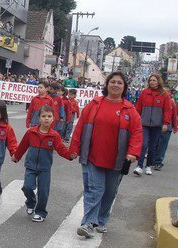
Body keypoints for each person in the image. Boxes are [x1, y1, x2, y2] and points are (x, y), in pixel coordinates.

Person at [70, 72, 143, 238]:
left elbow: (137, 132)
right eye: (113, 82)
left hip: (117, 161)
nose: (116, 85)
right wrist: (74, 147)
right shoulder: (94, 104)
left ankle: (101, 220)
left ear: (124, 87)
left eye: (119, 83)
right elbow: (80, 126)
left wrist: (133, 152)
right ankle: (88, 223)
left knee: (110, 192)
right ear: (107, 84)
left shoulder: (130, 110)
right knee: (95, 190)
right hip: (92, 157)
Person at [11, 105, 73, 222]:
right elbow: (23, 146)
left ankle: (40, 212)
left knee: (43, 191)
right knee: (27, 187)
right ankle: (31, 202)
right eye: (43, 116)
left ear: (53, 118)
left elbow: (61, 149)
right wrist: (16, 156)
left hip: (45, 168)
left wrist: (70, 155)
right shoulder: (31, 132)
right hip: (30, 166)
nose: (46, 118)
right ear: (39, 118)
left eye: (49, 116)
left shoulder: (54, 135)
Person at [133, 74, 172, 176]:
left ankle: (148, 166)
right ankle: (139, 166)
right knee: (143, 144)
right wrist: (136, 119)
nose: (152, 82)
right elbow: (138, 107)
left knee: (152, 147)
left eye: (154, 80)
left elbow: (167, 110)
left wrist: (165, 123)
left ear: (158, 81)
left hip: (157, 125)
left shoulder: (164, 95)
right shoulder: (144, 93)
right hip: (144, 124)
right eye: (150, 80)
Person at [153, 86, 178, 171]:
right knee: (155, 143)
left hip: (167, 127)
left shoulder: (172, 103)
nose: (165, 93)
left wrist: (175, 126)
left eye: (167, 92)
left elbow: (174, 115)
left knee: (162, 145)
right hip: (156, 125)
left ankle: (158, 162)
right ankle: (153, 159)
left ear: (170, 93)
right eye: (164, 91)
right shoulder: (157, 101)